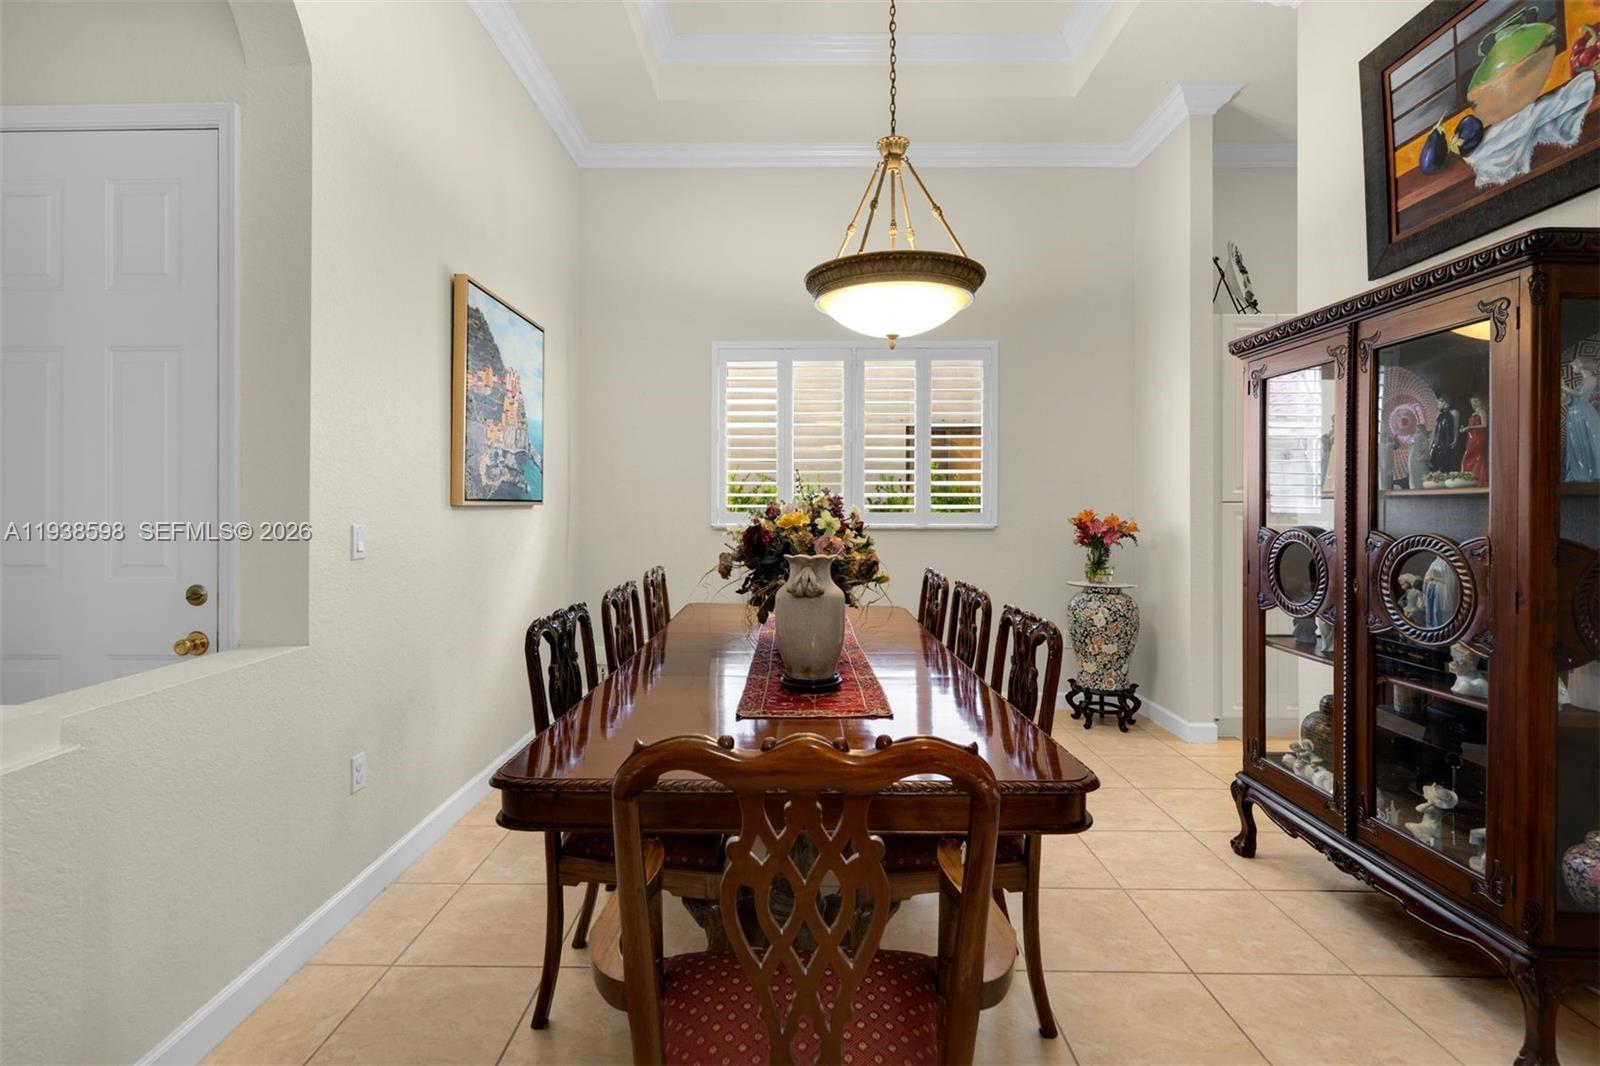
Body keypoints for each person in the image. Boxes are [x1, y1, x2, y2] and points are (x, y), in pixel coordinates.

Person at [1460, 396, 1488, 487]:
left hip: (1478, 437)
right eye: (1472, 402)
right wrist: (1466, 429)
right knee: (1471, 456)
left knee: (1476, 457)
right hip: (1471, 437)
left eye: (1476, 401)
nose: (1474, 404)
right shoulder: (1474, 413)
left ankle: (1479, 480)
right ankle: (1471, 479)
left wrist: (1469, 427)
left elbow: (1484, 425)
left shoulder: (1482, 411)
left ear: (1480, 401)